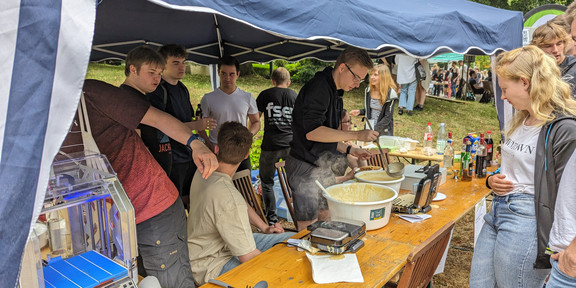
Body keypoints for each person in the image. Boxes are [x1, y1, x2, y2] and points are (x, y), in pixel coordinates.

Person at [71, 46, 218, 288]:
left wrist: (195, 144)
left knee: (171, 282)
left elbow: (159, 120)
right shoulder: (37, 118)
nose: (157, 78)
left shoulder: (93, 92)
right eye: (152, 72)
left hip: (153, 206)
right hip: (118, 217)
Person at [469, 45, 576, 288]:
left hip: (527, 217)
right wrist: (493, 179)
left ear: (525, 83)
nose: (503, 96)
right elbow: (517, 165)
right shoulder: (522, 117)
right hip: (497, 210)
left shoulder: (564, 128)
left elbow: (568, 192)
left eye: (505, 89)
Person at [187, 121, 295, 286]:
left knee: (290, 240)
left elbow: (236, 197)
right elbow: (250, 258)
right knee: (275, 273)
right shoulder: (228, 198)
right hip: (210, 264)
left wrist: (265, 227)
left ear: (216, 148)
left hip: (217, 247)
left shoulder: (205, 169)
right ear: (246, 155)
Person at [286, 46, 377, 231]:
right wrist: (356, 135)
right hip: (304, 166)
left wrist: (351, 149)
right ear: (342, 68)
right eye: (356, 78)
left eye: (361, 80)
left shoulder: (336, 92)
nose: (358, 84)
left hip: (320, 166)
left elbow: (326, 135)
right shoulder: (319, 87)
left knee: (326, 217)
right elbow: (312, 132)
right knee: (307, 226)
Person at [145, 44, 217, 208]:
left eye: (184, 62)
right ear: (162, 65)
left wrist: (198, 125)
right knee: (175, 201)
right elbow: (160, 127)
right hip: (171, 158)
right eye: (176, 63)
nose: (182, 67)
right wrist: (196, 124)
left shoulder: (182, 88)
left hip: (189, 154)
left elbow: (187, 117)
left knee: (192, 197)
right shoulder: (158, 91)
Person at [199, 55, 260, 171]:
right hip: (217, 150)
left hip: (240, 149)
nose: (227, 78)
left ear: (238, 74)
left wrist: (247, 137)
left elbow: (256, 122)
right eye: (223, 73)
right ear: (218, 73)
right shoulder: (208, 99)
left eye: (231, 74)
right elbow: (199, 126)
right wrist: (208, 144)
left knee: (243, 185)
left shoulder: (247, 97)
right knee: (219, 186)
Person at [255, 67, 297, 225]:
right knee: (294, 179)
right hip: (291, 144)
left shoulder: (265, 94)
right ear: (289, 82)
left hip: (270, 144)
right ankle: (298, 213)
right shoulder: (294, 96)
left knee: (267, 181)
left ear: (273, 81)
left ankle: (271, 219)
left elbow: (255, 118)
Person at [350, 64, 398, 136]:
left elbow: (387, 117)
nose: (372, 77)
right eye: (371, 74)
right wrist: (360, 111)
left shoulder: (391, 94)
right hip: (369, 128)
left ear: (384, 77)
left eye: (375, 75)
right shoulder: (368, 90)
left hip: (383, 132)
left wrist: (375, 130)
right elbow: (370, 110)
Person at [531, 21, 576, 96]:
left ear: (564, 43)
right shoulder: (533, 70)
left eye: (559, 44)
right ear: (538, 48)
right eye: (548, 46)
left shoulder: (574, 66)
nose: (555, 50)